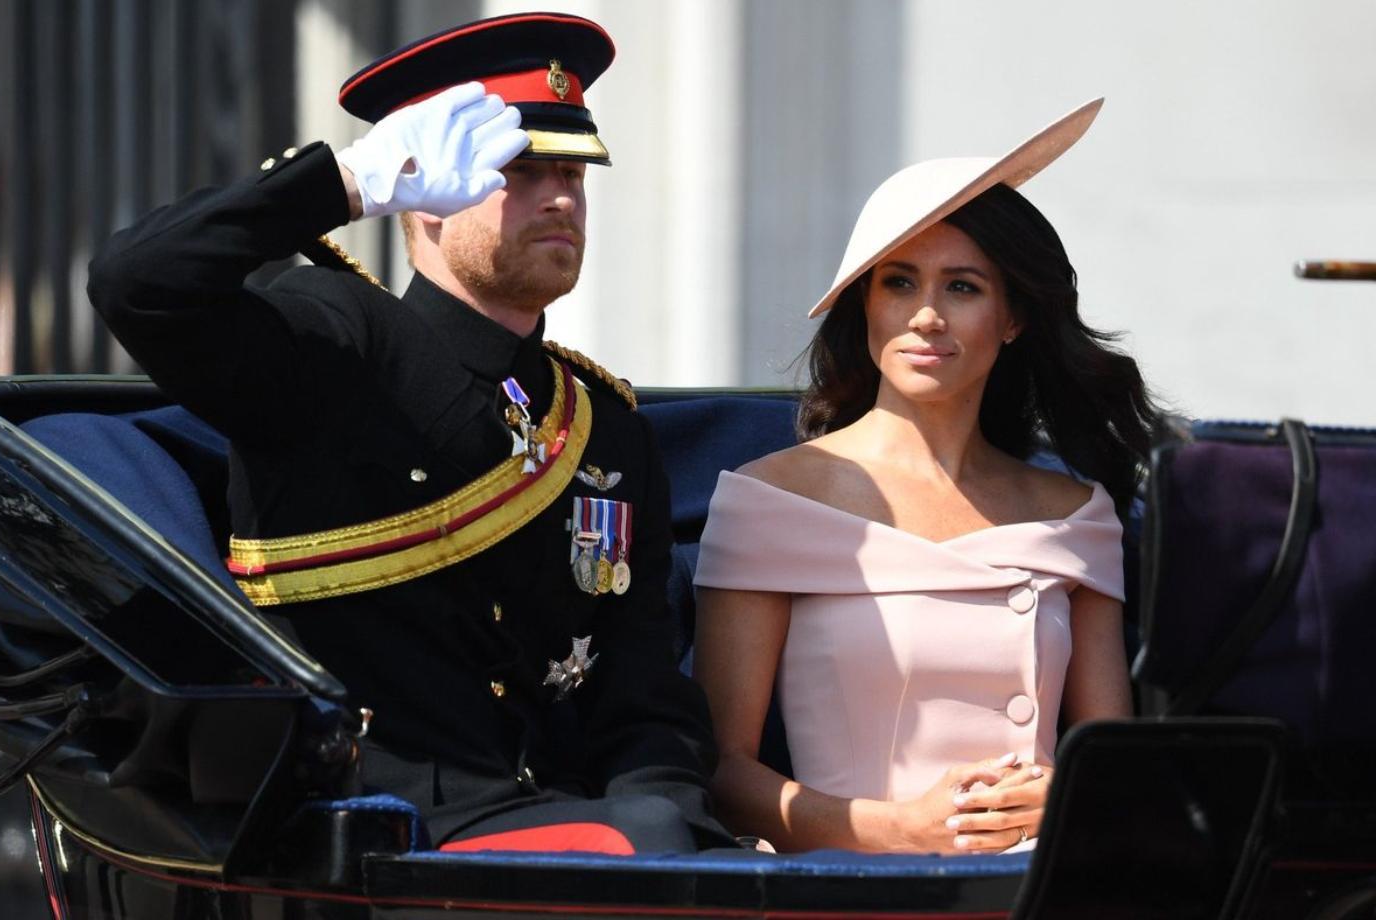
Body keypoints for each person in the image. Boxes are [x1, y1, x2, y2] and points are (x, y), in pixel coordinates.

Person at [87, 12, 731, 854]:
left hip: (562, 827)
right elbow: (137, 283)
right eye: (521, 170)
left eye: (574, 173)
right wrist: (344, 184)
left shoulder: (602, 430)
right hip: (379, 829)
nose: (562, 198)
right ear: (427, 193)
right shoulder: (335, 341)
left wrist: (681, 836)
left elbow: (642, 702)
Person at [692, 98, 1159, 855]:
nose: (927, 316)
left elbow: (1118, 768)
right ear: (866, 304)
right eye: (900, 283)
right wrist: (899, 829)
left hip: (1039, 886)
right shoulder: (770, 499)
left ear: (1013, 318)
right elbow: (721, 775)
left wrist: (1071, 795)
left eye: (962, 287)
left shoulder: (1077, 514)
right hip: (857, 886)